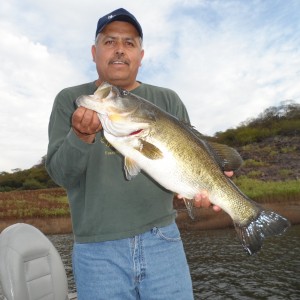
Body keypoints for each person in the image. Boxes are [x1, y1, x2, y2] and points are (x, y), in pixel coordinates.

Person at [46, 8, 228, 299]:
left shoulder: (168, 100)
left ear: (141, 56)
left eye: (129, 43)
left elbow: (189, 160)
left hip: (163, 240)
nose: (119, 50)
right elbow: (60, 175)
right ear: (94, 52)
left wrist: (198, 187)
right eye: (110, 42)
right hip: (96, 251)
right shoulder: (69, 100)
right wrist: (80, 136)